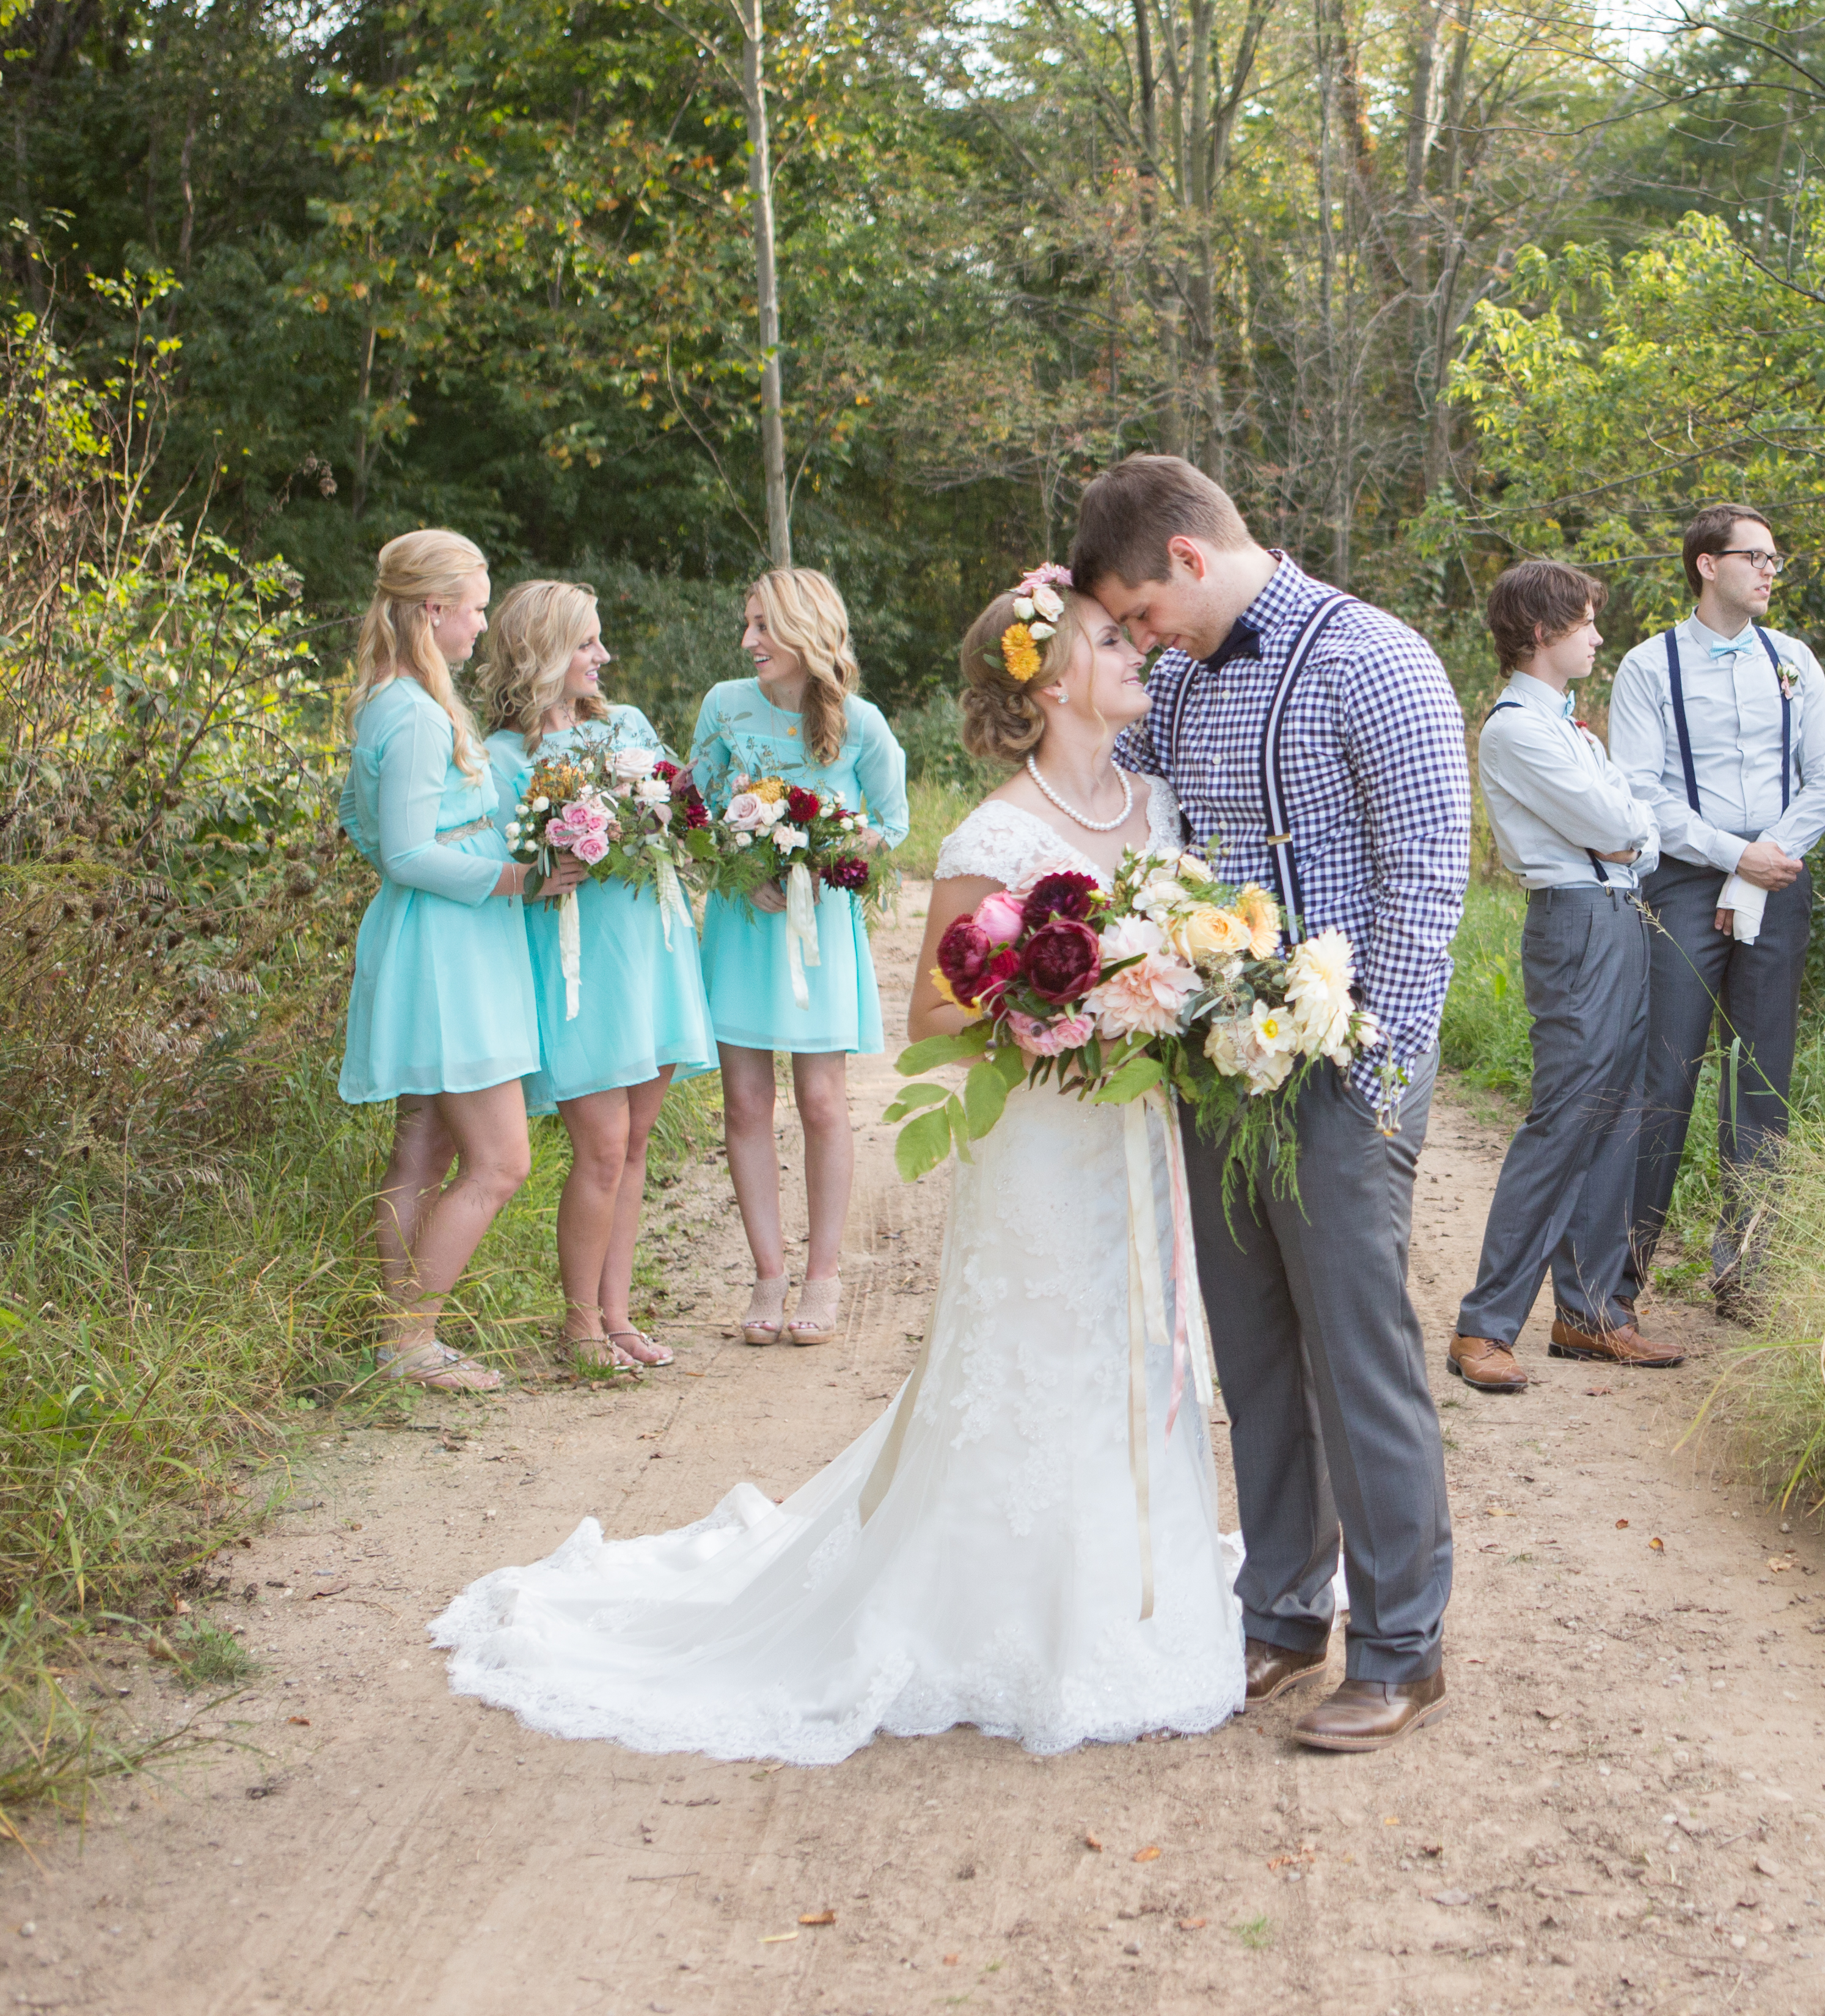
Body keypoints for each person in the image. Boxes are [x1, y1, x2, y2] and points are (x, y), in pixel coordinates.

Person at [433, 576, 1240, 1759]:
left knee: (1134, 1345)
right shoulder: (993, 836)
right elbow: (932, 1015)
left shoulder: (1161, 807)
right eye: (1112, 642)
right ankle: (999, 1612)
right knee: (1038, 1352)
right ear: (1052, 680)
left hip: (1130, 1145)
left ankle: (1139, 1593)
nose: (1139, 654)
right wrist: (1057, 1017)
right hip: (1036, 1151)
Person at [1072, 455, 1471, 1755]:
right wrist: (1058, 640)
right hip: (1214, 1064)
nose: (1141, 641)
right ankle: (1283, 1613)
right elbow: (1097, 777)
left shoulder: (1380, 659)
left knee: (1361, 1357)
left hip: (1342, 1065)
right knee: (1250, 1349)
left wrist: (1376, 1078)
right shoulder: (1178, 682)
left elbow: (1427, 881)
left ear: (1189, 559)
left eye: (1139, 613)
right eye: (1124, 629)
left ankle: (1404, 1648)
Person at [336, 529, 581, 1395]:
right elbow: (401, 852)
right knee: (500, 1162)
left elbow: (364, 827)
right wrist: (518, 878)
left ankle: (400, 1340)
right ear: (433, 608)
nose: (482, 624)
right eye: (476, 607)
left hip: (444, 938)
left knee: (424, 1151)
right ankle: (410, 1338)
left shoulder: (403, 698)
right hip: (447, 948)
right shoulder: (409, 711)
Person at [1604, 502, 1825, 1317]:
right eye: (1757, 557)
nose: (1772, 570)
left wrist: (1762, 861)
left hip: (1777, 882)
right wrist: (1728, 857)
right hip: (1682, 880)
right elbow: (1643, 796)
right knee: (1665, 1070)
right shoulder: (1647, 667)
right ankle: (1620, 1276)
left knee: (1762, 1075)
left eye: (1777, 558)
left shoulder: (1796, 661)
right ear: (1709, 565)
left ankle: (1744, 1269)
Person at [1449, 561, 1677, 1395]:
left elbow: (1637, 835)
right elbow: (1618, 824)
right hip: (1577, 920)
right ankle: (1485, 1324)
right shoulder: (1518, 729)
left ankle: (1588, 1313)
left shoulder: (1573, 730)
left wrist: (1631, 833)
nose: (1598, 636)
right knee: (1565, 1119)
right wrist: (1630, 832)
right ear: (1542, 633)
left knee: (1618, 1113)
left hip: (1619, 916)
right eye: (1585, 623)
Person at [477, 580, 717, 1376]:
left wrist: (673, 812)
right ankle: (579, 1327)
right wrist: (549, 859)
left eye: (600, 642)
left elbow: (684, 813)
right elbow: (507, 864)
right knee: (603, 1147)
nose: (602, 657)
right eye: (586, 643)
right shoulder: (506, 758)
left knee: (637, 1138)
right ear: (541, 649)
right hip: (577, 961)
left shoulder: (628, 726)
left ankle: (618, 1317)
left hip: (650, 943)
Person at [690, 568, 911, 1348]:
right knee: (747, 1104)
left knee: (821, 1103)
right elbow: (697, 806)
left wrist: (830, 860)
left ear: (805, 633)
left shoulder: (861, 723)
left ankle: (823, 1274)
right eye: (747, 624)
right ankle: (767, 1274)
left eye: (762, 627)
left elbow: (892, 821)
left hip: (821, 932)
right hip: (744, 926)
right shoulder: (724, 707)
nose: (747, 641)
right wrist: (742, 865)